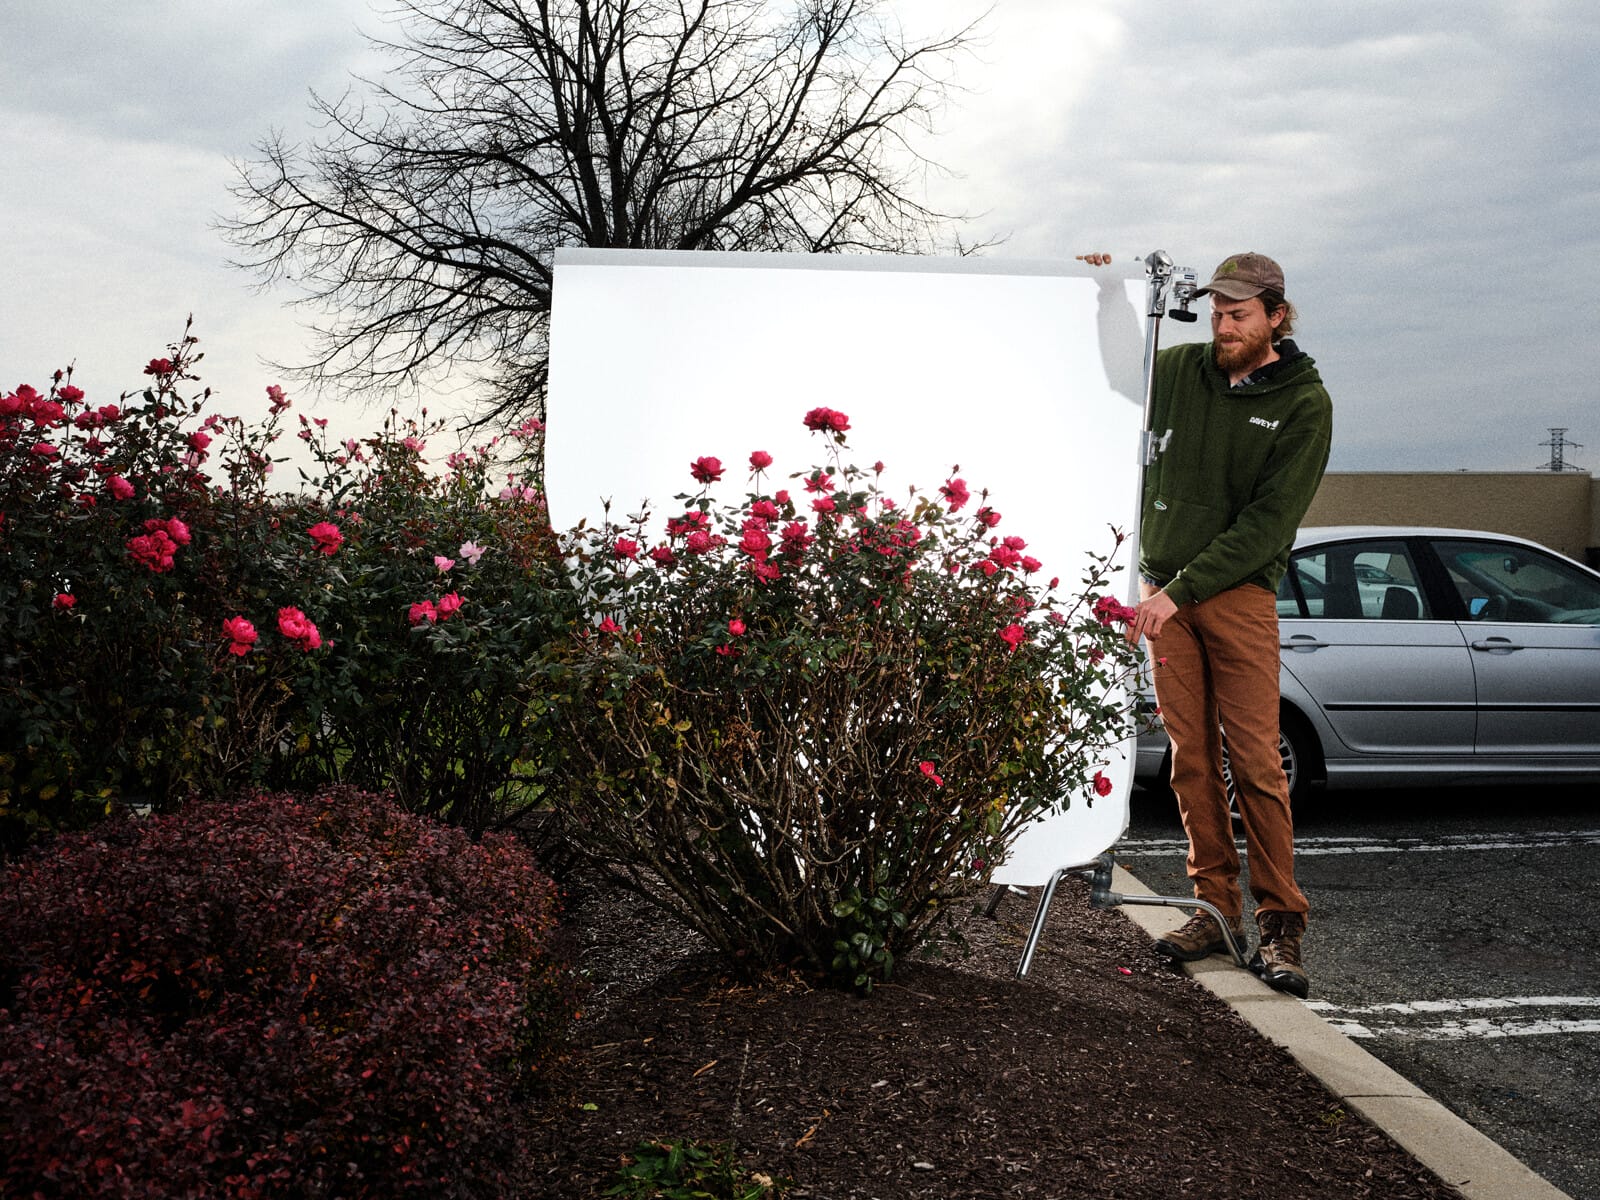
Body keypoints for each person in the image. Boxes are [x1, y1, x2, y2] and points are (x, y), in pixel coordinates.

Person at [1081, 250, 1332, 998]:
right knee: (1190, 760)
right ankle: (1214, 908)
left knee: (1256, 763)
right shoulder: (1187, 371)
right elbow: (1123, 379)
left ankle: (1282, 925)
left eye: (1239, 315)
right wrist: (1106, 296)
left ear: (1276, 317)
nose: (1224, 326)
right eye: (1218, 313)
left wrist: (1176, 592)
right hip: (1169, 597)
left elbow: (1267, 525)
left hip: (1235, 598)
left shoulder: (1304, 403)